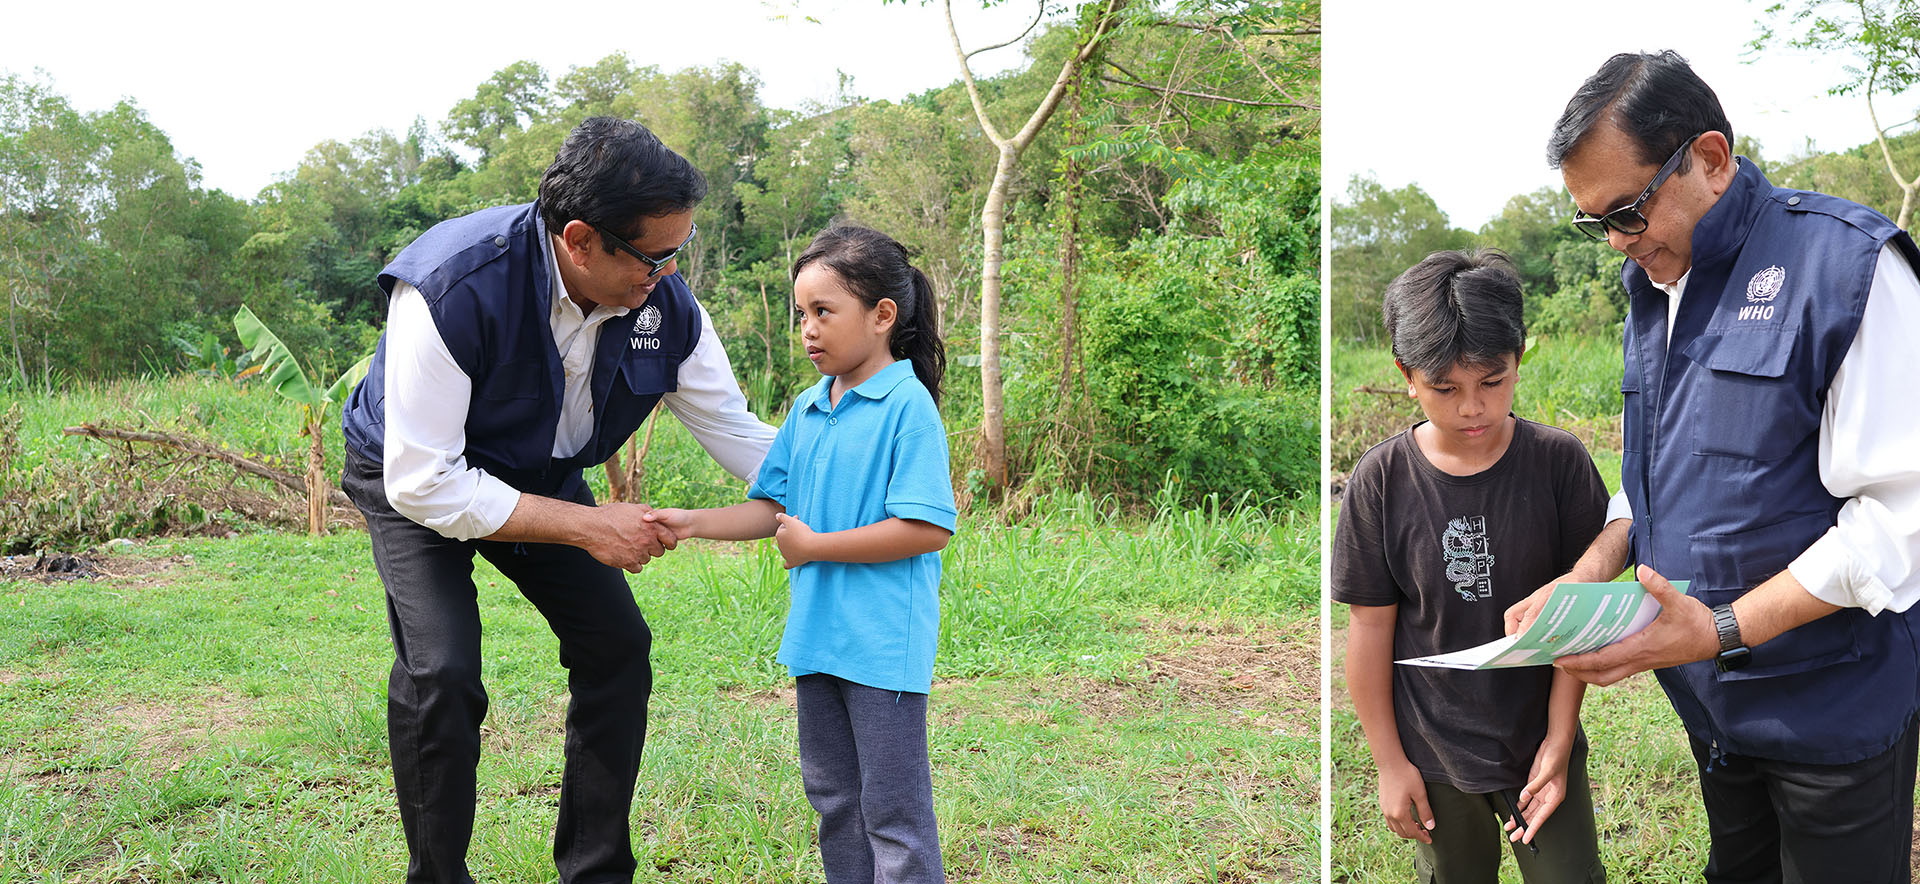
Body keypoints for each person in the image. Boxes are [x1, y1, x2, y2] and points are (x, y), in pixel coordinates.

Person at [1505, 51, 1920, 883]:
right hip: (1713, 706)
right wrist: (1592, 573)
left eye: (1628, 211)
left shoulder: (1846, 270)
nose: (1622, 246)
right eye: (1598, 225)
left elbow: (1898, 519)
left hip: (1829, 710)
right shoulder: (1655, 283)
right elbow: (1650, 475)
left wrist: (1722, 627)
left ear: (1711, 158)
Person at [337, 116, 777, 884]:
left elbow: (739, 434)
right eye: (655, 255)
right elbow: (425, 480)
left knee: (617, 648)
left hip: (536, 475)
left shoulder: (664, 309)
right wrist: (586, 526)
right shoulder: (452, 286)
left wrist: (864, 473)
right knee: (441, 671)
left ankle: (595, 872)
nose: (670, 272)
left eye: (682, 251)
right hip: (414, 475)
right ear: (580, 239)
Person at [646, 224, 957, 884]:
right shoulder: (810, 407)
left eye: (823, 312)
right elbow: (771, 509)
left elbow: (926, 528)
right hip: (817, 641)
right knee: (836, 803)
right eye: (801, 315)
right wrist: (692, 521)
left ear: (881, 317)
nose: (808, 330)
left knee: (894, 816)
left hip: (880, 649)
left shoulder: (907, 408)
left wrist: (816, 546)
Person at [1335, 249, 1610, 883]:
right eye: (1446, 389)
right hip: (1430, 751)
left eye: (1492, 381)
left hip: (1537, 744)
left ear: (1520, 358)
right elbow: (1371, 631)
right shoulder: (1381, 480)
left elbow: (1577, 618)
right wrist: (1388, 763)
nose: (1472, 409)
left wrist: (1560, 741)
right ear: (1407, 374)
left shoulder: (1558, 463)